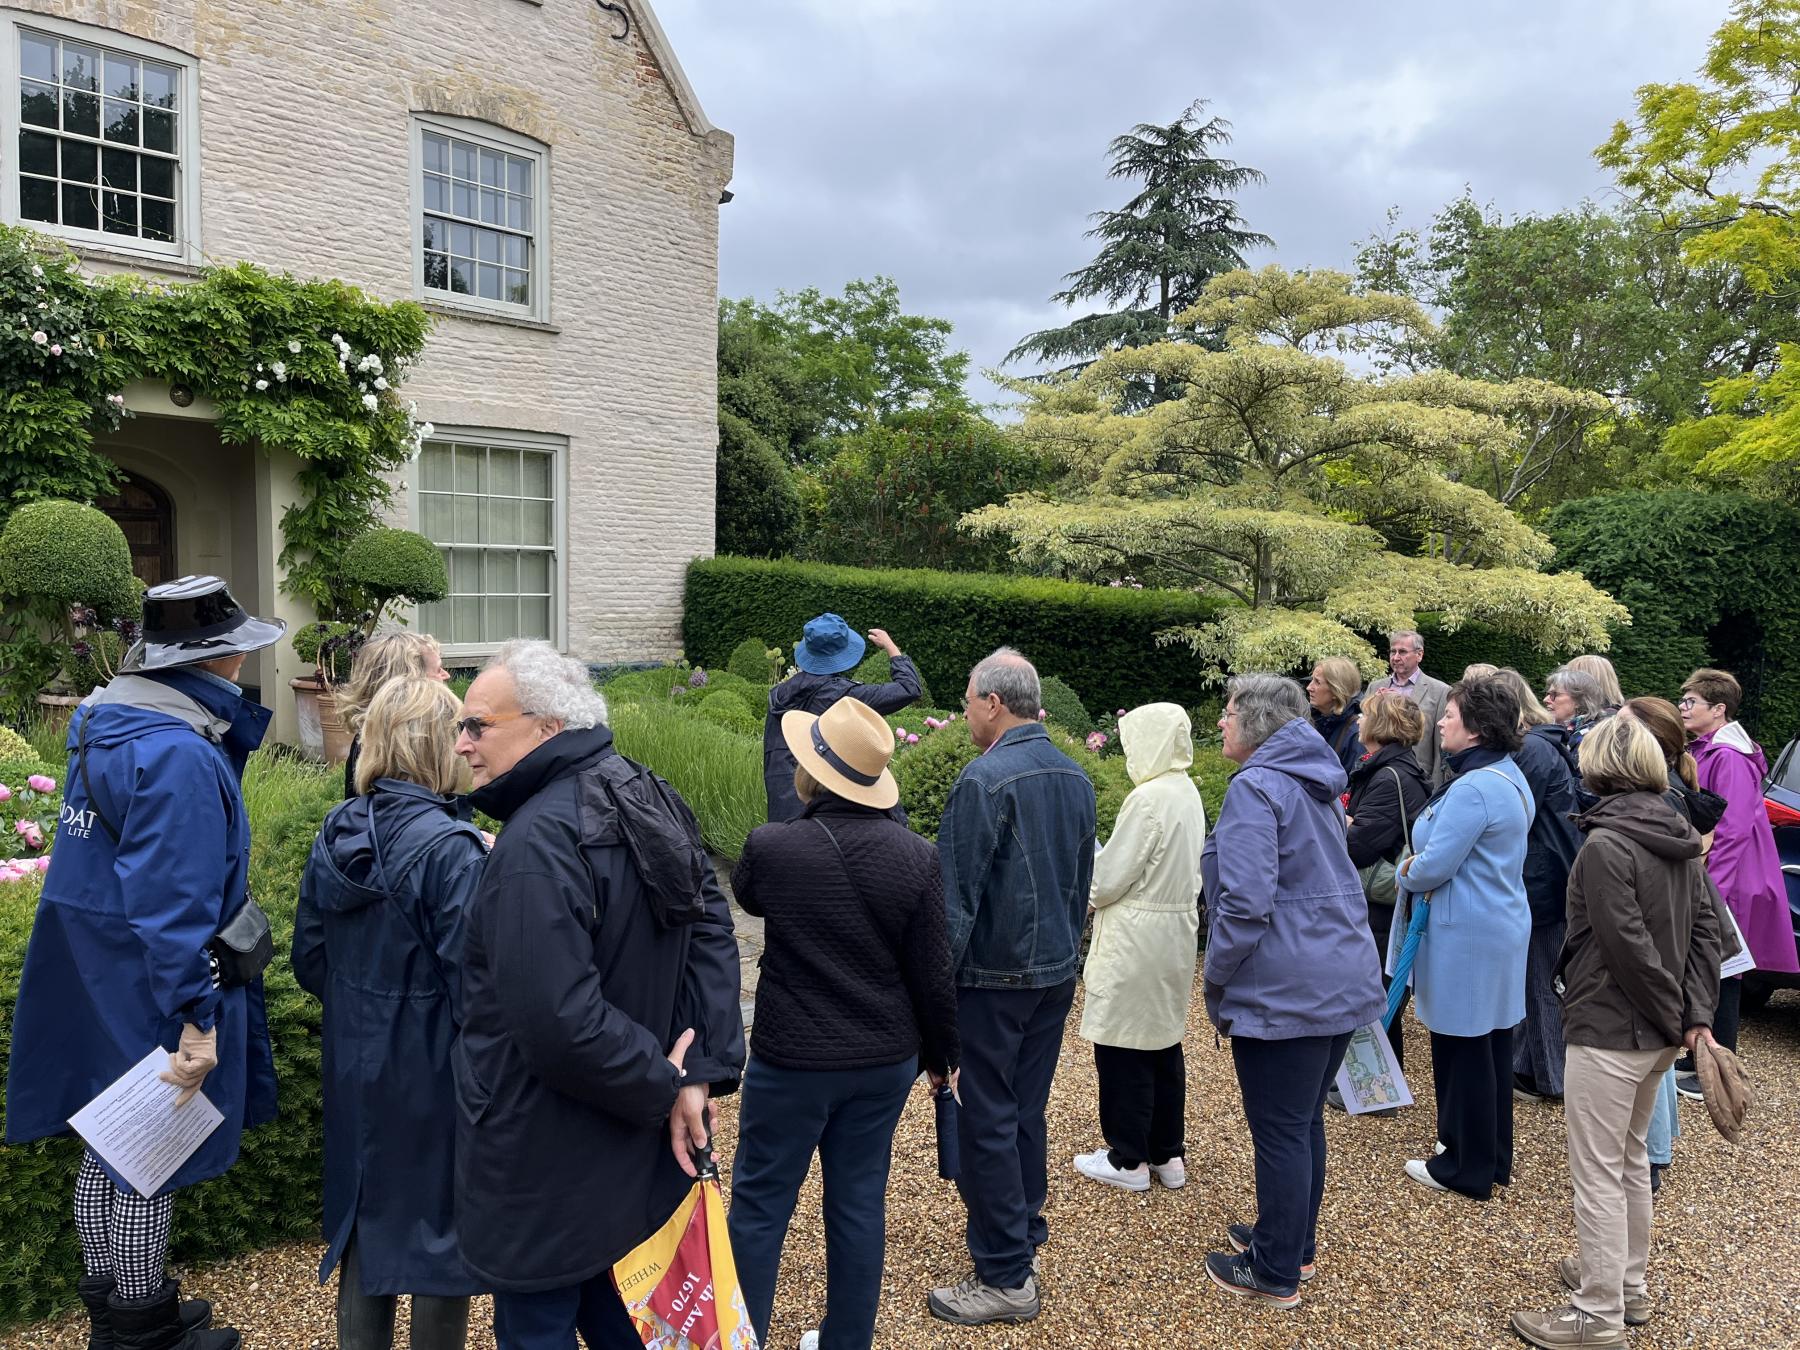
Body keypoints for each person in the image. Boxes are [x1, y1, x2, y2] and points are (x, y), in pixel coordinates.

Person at [5, 575, 284, 1350]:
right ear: (210, 658)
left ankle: (119, 1316)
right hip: (150, 982)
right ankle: (143, 1333)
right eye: (235, 648)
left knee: (108, 1142)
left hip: (96, 967)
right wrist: (197, 1019)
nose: (243, 661)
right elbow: (174, 904)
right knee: (145, 1157)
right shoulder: (177, 753)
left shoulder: (106, 722)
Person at [451, 641, 745, 1348]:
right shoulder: (645, 788)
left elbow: (558, 1021)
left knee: (549, 1325)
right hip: (630, 1142)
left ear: (547, 727)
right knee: (630, 1317)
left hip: (547, 1159)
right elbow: (712, 925)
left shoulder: (535, 844)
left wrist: (677, 1079)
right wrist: (689, 1072)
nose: (461, 744)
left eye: (477, 725)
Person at [727, 697, 958, 1350]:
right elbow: (933, 972)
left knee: (760, 1206)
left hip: (792, 1060)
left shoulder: (772, 846)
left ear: (811, 770)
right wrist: (944, 1057)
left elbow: (747, 896)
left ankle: (743, 1338)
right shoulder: (917, 857)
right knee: (858, 1203)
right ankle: (846, 1341)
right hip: (882, 1060)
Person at [1509, 715, 1721, 1350]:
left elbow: (1626, 945)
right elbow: (1706, 933)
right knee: (1627, 1159)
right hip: (1655, 1034)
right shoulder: (1677, 832)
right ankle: (1626, 1285)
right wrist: (1692, 1017)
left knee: (1599, 1170)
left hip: (1612, 1027)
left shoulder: (1607, 844)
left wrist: (1676, 1014)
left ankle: (1597, 1313)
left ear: (1599, 767)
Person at [293, 678, 488, 1350]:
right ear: (440, 746)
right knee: (440, 1231)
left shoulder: (337, 828)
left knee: (363, 1215)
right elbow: (476, 987)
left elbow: (310, 958)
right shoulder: (454, 849)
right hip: (434, 1064)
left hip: (354, 1056)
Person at [1200, 675, 1386, 1308]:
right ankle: (1291, 1244)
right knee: (1301, 1122)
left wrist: (1216, 973)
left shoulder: (1257, 787)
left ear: (1255, 723)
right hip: (1339, 973)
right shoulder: (1315, 781)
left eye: (1228, 712)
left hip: (1289, 984)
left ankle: (1274, 1270)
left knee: (1281, 1129)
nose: (1221, 722)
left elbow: (1245, 903)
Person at [927, 648, 1096, 1328]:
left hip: (995, 977)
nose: (965, 712)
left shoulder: (984, 779)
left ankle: (1006, 1275)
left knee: (987, 1115)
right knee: (1023, 1108)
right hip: (1053, 972)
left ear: (994, 703)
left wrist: (933, 998)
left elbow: (954, 902)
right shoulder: (1075, 773)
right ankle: (1020, 1224)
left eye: (968, 700)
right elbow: (1082, 885)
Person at [1396, 677, 1533, 1201]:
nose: (1440, 722)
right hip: (1495, 923)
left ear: (1475, 728)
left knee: (1462, 1048)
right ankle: (1488, 1155)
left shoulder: (1475, 787)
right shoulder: (1507, 774)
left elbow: (1434, 866)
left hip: (1468, 932)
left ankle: (1464, 1166)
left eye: (1450, 715)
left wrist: (1406, 870)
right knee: (1489, 1045)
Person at [1072, 703, 1206, 1192]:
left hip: (1137, 936)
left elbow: (1108, 881)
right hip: (1174, 932)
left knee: (1123, 1045)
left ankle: (1128, 1159)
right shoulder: (1186, 791)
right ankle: (1167, 1153)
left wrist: (1088, 869)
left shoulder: (1147, 798)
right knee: (1163, 1043)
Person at [1674, 667, 1800, 1097]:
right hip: (1725, 875)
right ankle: (1698, 1058)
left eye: (1691, 701)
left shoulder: (1727, 757)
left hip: (1731, 879)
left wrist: (1711, 889)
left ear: (1719, 709)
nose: (1683, 707)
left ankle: (1716, 1069)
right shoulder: (1712, 749)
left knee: (1723, 969)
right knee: (1709, 966)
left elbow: (1731, 829)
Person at [1489, 669, 1583, 1105]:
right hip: (1547, 870)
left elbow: (1509, 814)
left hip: (1543, 875)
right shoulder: (1541, 745)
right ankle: (1530, 1065)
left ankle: (1550, 1076)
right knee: (1535, 974)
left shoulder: (1532, 750)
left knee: (1540, 978)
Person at [1341, 691, 1430, 1081]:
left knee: (1374, 992)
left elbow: (1358, 845)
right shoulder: (1396, 769)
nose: (1358, 721)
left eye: (1365, 716)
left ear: (1380, 725)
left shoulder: (1389, 776)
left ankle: (1377, 1085)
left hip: (1380, 903)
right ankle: (1376, 1082)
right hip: (1383, 902)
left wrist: (1341, 820)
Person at [764, 614, 922, 823]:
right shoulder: (842, 695)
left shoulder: (778, 694)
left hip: (783, 805)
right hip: (823, 810)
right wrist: (890, 646)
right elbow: (909, 688)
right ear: (842, 653)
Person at [333, 630, 451, 797]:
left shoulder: (369, 738)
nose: (446, 675)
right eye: (438, 669)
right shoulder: (413, 744)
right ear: (410, 681)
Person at [1366, 630, 1450, 783]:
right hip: (1375, 775)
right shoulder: (1375, 687)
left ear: (1419, 655)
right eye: (1393, 651)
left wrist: (1436, 787)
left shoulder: (1440, 692)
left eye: (1403, 652)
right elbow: (1364, 732)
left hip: (1417, 778)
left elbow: (1441, 747)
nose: (1396, 657)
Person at [1306, 656, 1365, 774]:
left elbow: (1353, 781)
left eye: (1317, 682)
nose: (1309, 687)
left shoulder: (1356, 733)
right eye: (1312, 680)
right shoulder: (1309, 721)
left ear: (1336, 690)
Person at [1544, 666, 1611, 744]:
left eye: (1554, 694)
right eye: (1548, 694)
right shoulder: (1565, 733)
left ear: (1578, 700)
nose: (1545, 700)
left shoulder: (1589, 738)